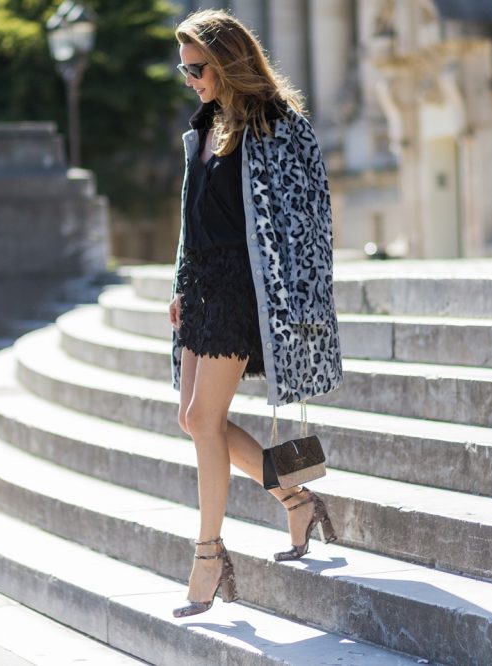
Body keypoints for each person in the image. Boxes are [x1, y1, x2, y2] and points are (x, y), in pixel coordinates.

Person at [168, 10, 343, 618]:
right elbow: (195, 222)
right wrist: (181, 287)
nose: (189, 79)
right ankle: (295, 501)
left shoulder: (278, 127)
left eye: (197, 68)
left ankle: (209, 556)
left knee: (201, 415)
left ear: (227, 62)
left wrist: (301, 303)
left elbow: (310, 221)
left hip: (246, 289)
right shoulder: (207, 126)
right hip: (204, 286)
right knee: (194, 420)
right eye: (184, 69)